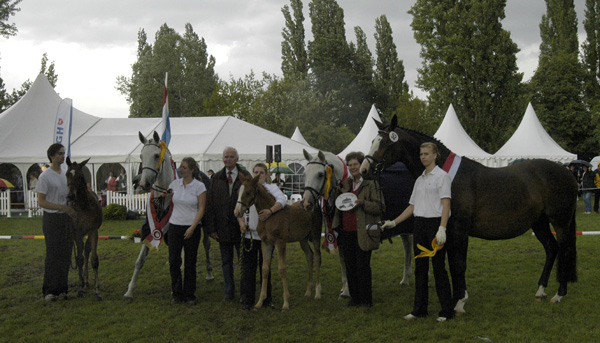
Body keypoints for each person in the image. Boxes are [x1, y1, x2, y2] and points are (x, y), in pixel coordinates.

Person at [381, 142, 454, 322]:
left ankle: (446, 310)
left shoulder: (442, 176)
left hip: (436, 225)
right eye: (421, 154)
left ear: (435, 155)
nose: (423, 157)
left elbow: (446, 204)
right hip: (419, 226)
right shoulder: (419, 179)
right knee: (420, 269)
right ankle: (419, 309)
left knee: (438, 269)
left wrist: (442, 228)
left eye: (426, 154)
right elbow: (412, 206)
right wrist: (394, 222)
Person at [331, 151, 384, 308]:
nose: (353, 167)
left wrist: (363, 203)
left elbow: (380, 206)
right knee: (350, 266)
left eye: (355, 164)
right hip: (346, 231)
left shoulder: (371, 184)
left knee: (362, 267)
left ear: (362, 165)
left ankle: (366, 300)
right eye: (350, 165)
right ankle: (355, 298)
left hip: (363, 232)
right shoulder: (346, 184)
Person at [239, 163, 286, 310]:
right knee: (248, 268)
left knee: (265, 268)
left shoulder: (272, 189)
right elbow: (238, 206)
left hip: (267, 235)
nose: (258, 174)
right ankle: (248, 298)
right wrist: (240, 221)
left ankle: (267, 298)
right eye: (256, 172)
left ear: (266, 174)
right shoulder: (247, 188)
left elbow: (282, 200)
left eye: (261, 172)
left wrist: (270, 211)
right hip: (250, 233)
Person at [207, 147, 251, 302]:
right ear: (222, 159)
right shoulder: (217, 178)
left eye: (231, 156)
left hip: (241, 229)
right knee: (226, 262)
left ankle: (245, 292)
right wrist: (211, 229)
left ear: (237, 159)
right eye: (226, 156)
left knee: (244, 262)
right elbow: (210, 204)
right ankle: (229, 292)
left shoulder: (246, 176)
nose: (228, 159)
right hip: (222, 229)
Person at [162, 157, 207, 305]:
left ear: (192, 170)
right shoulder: (174, 184)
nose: (181, 170)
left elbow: (201, 208)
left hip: (191, 227)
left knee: (190, 262)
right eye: (180, 167)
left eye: (184, 167)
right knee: (174, 261)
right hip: (175, 226)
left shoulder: (199, 187)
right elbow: (168, 202)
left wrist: (193, 227)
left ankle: (189, 294)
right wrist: (166, 196)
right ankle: (176, 293)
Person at [36, 143, 76, 302]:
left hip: (66, 219)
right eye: (59, 153)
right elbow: (42, 202)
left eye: (63, 153)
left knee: (66, 254)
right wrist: (62, 208)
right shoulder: (45, 176)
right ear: (52, 156)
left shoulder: (66, 174)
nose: (62, 156)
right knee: (53, 254)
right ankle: (50, 290)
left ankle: (62, 288)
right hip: (52, 219)